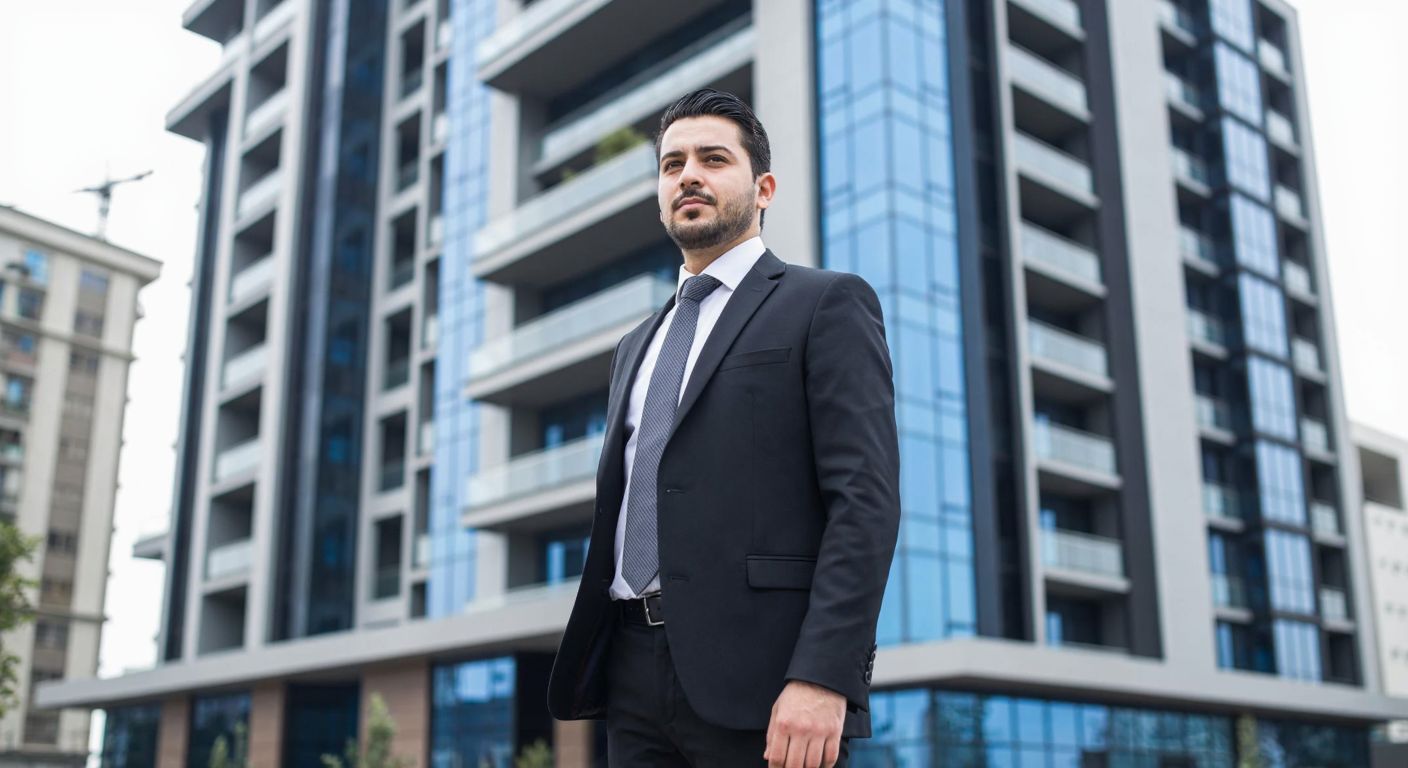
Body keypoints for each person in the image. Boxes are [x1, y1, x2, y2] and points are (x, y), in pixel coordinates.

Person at [546, 87, 900, 768]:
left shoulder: (824, 303)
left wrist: (825, 673)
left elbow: (866, 502)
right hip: (630, 676)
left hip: (765, 683)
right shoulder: (635, 346)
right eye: (672, 164)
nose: (689, 175)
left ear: (763, 187)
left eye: (713, 159)